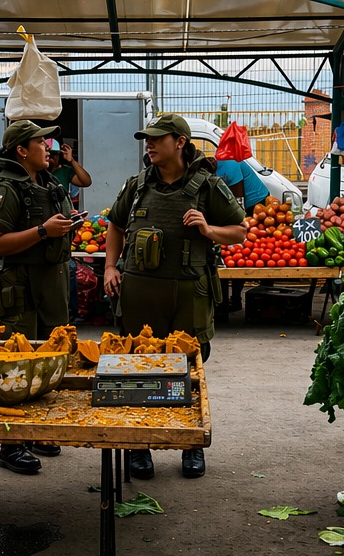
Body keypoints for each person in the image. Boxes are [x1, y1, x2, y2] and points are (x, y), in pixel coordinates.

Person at [104, 113, 246, 480]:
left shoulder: (208, 186)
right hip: (138, 294)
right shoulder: (136, 186)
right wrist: (110, 267)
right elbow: (115, 225)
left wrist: (208, 228)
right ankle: (139, 447)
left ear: (180, 142)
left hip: (188, 294)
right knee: (139, 369)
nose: (148, 145)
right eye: (147, 139)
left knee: (187, 371)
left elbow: (239, 231)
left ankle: (190, 446)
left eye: (157, 139)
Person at [0, 120, 78, 475]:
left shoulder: (46, 183)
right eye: (42, 141)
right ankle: (10, 444)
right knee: (16, 365)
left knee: (46, 361)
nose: (48, 146)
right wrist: (42, 231)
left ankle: (33, 431)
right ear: (22, 149)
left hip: (50, 286)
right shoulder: (6, 189)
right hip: (19, 291)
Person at [212, 126, 271, 311]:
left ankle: (249, 297)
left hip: (256, 202)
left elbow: (238, 198)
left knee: (247, 246)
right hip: (242, 203)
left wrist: (238, 222)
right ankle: (233, 300)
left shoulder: (228, 164)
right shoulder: (210, 171)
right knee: (237, 251)